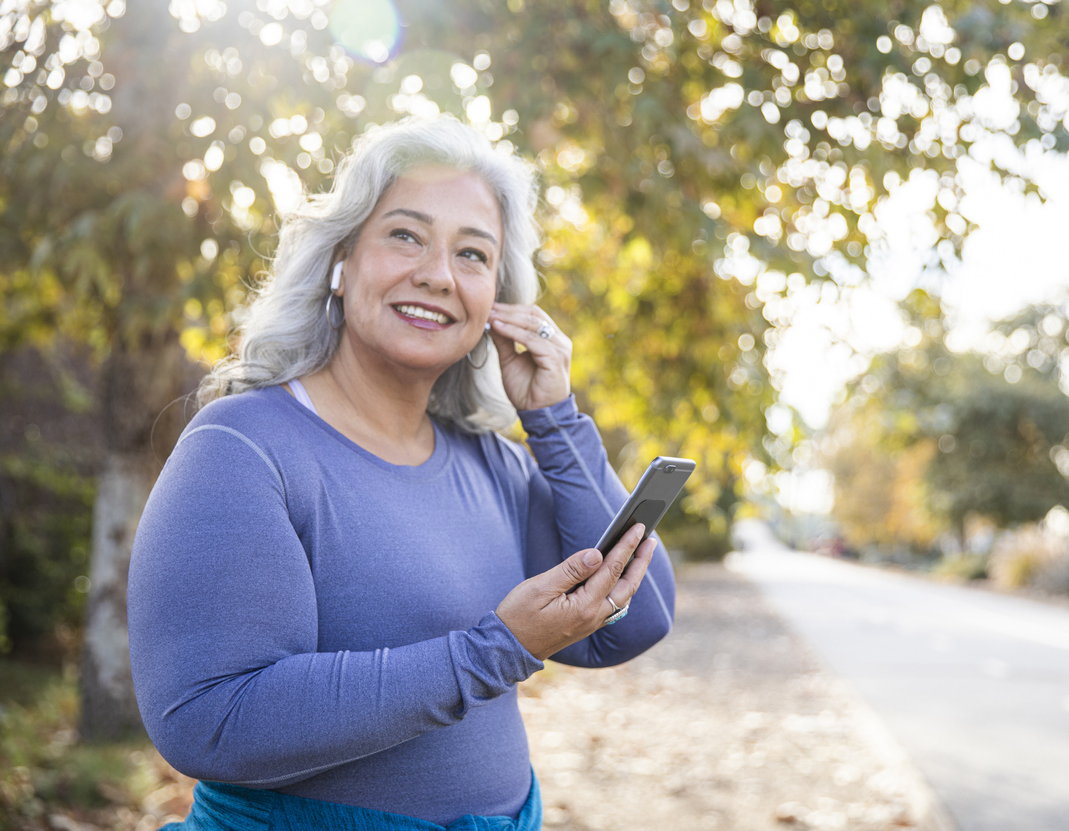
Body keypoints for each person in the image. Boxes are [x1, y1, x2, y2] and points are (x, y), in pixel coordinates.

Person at [127, 115, 676, 831]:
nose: (439, 275)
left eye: (473, 254)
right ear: (341, 259)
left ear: (497, 306)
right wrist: (496, 651)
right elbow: (211, 720)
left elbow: (630, 626)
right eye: (406, 235)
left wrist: (555, 417)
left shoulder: (494, 463)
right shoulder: (243, 447)